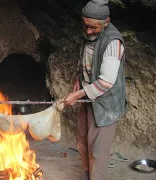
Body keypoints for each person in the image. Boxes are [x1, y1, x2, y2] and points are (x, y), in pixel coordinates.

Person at [63, 0, 127, 179]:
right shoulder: (90, 33)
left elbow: (106, 82)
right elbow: (85, 60)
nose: (89, 31)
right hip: (88, 97)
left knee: (97, 151)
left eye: (93, 27)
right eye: (85, 25)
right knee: (82, 141)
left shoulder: (113, 42)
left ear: (106, 22)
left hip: (105, 104)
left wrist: (78, 94)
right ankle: (87, 175)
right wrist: (78, 80)